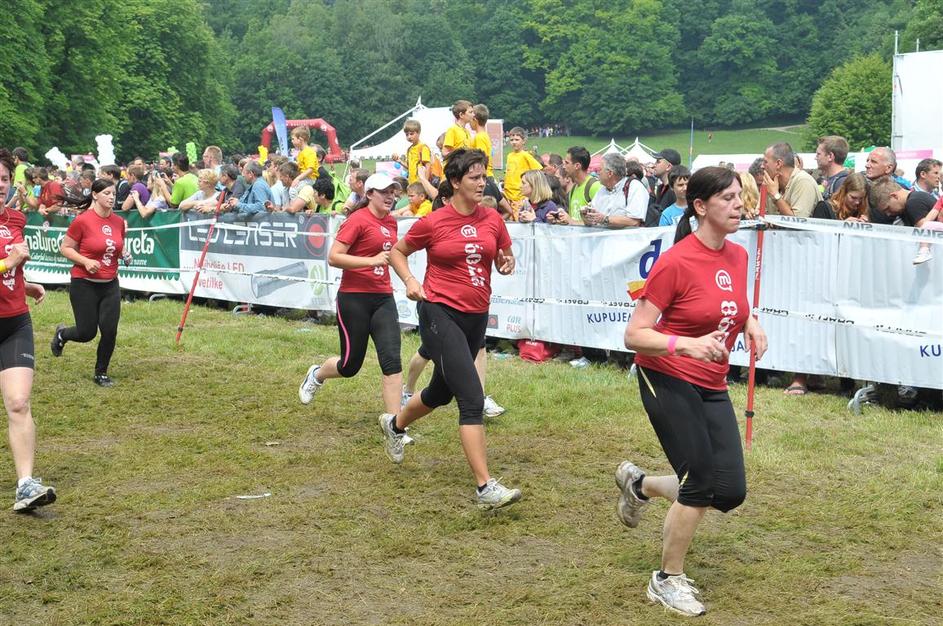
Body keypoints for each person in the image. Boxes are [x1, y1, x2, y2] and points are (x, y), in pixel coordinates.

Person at [619, 166, 767, 617]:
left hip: (711, 380)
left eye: (740, 196)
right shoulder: (675, 262)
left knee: (729, 491)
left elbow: (728, 301)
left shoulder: (738, 254)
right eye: (727, 198)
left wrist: (750, 322)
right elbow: (634, 335)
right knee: (700, 480)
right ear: (700, 206)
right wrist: (685, 344)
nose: (739, 205)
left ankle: (639, 484)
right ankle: (667, 579)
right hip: (665, 374)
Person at [386, 148, 521, 510]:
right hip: (439, 312)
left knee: (440, 392)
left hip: (476, 316)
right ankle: (485, 487)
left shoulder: (492, 219)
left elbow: (505, 256)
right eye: (475, 178)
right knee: (472, 398)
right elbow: (397, 252)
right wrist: (411, 280)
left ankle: (394, 426)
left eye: (484, 176)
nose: (482, 183)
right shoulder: (434, 221)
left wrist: (507, 264)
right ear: (456, 182)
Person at [298, 173, 403, 414]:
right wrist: (371, 261)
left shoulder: (391, 222)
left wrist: (409, 280)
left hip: (383, 297)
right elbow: (334, 257)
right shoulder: (358, 220)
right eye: (384, 192)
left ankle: (395, 424)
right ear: (370, 194)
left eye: (392, 192)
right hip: (354, 298)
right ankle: (317, 374)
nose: (390, 196)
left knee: (392, 362)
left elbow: (390, 256)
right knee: (349, 365)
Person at [0, 149, 56, 511]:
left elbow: (12, 266)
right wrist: (10, 262)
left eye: (4, 179)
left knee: (19, 402)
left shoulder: (16, 218)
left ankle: (25, 486)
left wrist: (24, 281)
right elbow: (8, 260)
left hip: (14, 321)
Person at [51, 179, 131, 387]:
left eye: (113, 194)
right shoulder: (83, 221)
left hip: (110, 284)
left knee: (110, 330)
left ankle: (101, 372)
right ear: (95, 195)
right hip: (84, 283)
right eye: (106, 193)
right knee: (86, 333)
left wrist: (124, 254)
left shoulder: (119, 222)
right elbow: (65, 248)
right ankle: (62, 334)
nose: (111, 197)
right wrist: (86, 261)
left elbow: (115, 246)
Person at [582, 155, 646, 228]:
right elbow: (594, 219)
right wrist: (587, 217)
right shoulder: (602, 189)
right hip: (600, 235)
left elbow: (634, 222)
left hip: (627, 236)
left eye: (600, 170)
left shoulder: (634, 187)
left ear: (610, 173)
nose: (597, 173)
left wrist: (605, 219)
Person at [762, 142, 821, 217]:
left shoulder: (803, 181)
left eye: (765, 162)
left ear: (778, 164)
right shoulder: (772, 185)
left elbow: (797, 221)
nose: (762, 166)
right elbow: (763, 216)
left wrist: (775, 195)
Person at [503, 127, 543, 217]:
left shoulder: (525, 155)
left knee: (519, 219)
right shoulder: (509, 156)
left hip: (520, 196)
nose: (514, 142)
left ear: (523, 141)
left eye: (517, 140)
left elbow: (539, 170)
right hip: (508, 195)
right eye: (512, 140)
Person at [563, 146, 600, 221]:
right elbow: (573, 220)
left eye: (567, 163)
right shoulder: (573, 189)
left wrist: (570, 222)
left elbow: (599, 222)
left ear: (577, 166)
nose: (563, 166)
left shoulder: (594, 186)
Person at [815, 136, 850, 200]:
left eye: (818, 154)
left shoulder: (841, 183)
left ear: (830, 156)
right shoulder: (833, 181)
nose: (815, 158)